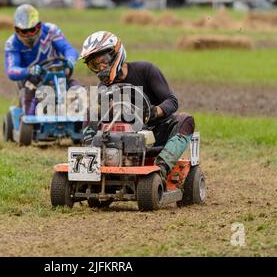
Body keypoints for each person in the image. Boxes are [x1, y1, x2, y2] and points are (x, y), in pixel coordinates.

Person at [79, 31, 195, 180]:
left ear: (115, 54)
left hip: (154, 132)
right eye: (94, 65)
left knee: (186, 119)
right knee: (91, 112)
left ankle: (161, 167)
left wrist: (154, 112)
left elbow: (172, 101)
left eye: (103, 61)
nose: (101, 68)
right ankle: (90, 160)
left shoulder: (145, 70)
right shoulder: (102, 87)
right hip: (120, 137)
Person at [4, 4, 79, 115]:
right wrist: (28, 71)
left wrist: (71, 59)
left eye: (32, 30)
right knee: (28, 101)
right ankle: (31, 121)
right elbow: (11, 71)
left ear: (38, 26)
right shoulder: (11, 44)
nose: (28, 35)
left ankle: (83, 122)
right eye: (24, 31)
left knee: (78, 90)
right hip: (31, 82)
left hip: (58, 76)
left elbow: (67, 48)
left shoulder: (51, 31)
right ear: (16, 29)